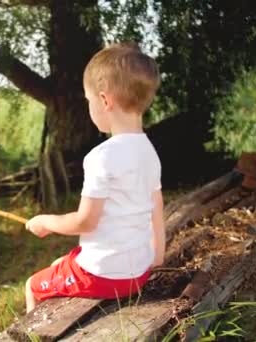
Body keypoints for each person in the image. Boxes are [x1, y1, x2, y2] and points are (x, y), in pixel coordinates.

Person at [24, 42, 165, 313]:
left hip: (104, 276)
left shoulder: (101, 157)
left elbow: (85, 221)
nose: (89, 108)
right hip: (138, 272)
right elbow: (156, 207)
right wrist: (155, 257)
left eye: (89, 101)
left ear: (104, 100)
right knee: (58, 264)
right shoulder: (149, 152)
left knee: (32, 284)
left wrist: (47, 222)